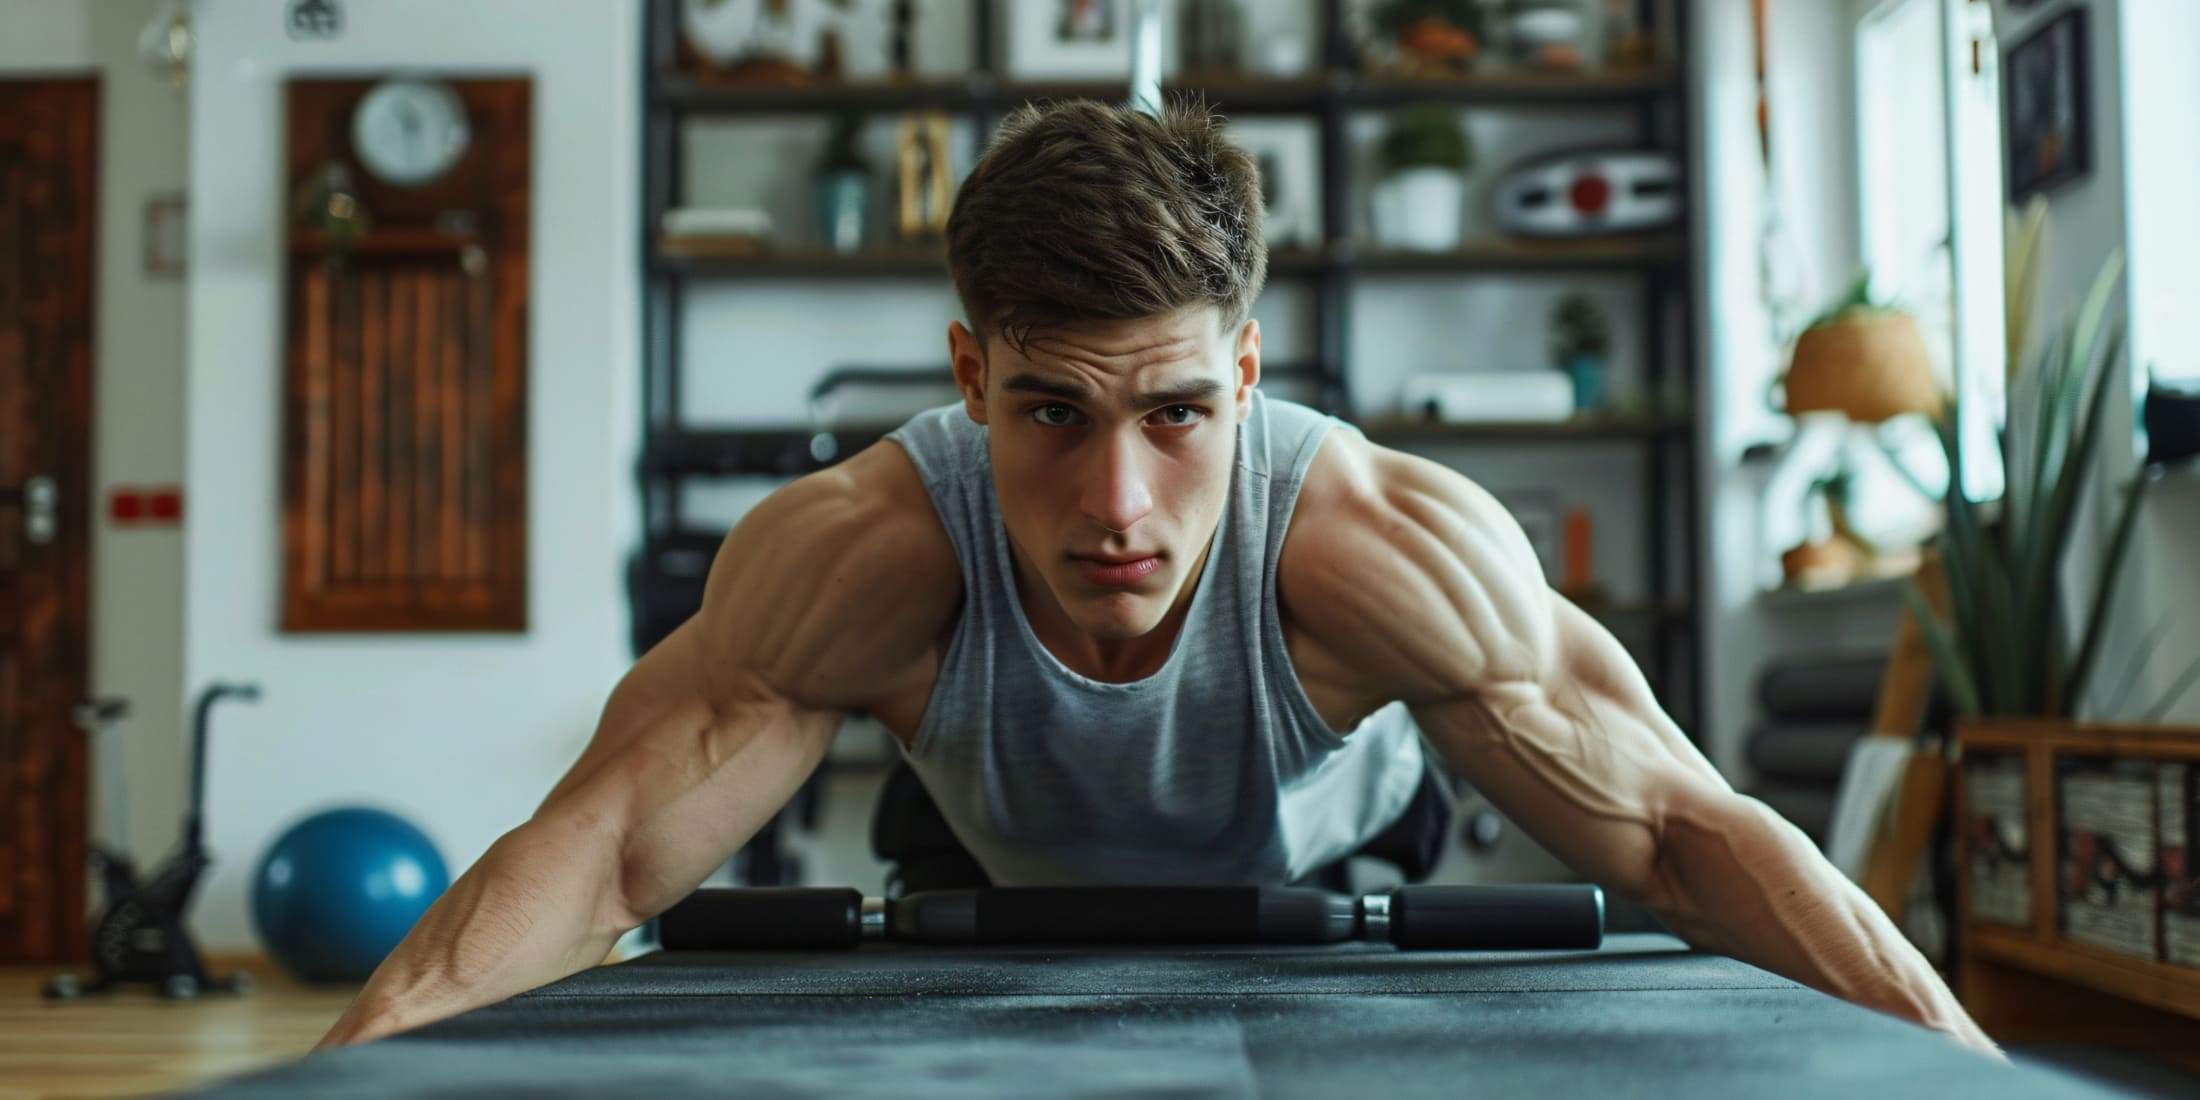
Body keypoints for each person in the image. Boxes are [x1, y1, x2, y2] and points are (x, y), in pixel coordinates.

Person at [317, 99, 1998, 1058]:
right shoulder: (862, 554)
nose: (1117, 502)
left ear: (1251, 376)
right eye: (1051, 412)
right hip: (983, 850)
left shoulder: (1385, 546)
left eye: (1177, 413)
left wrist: (1972, 1077)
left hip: (1352, 853)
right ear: (970, 377)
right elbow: (602, 850)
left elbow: (1690, 838)